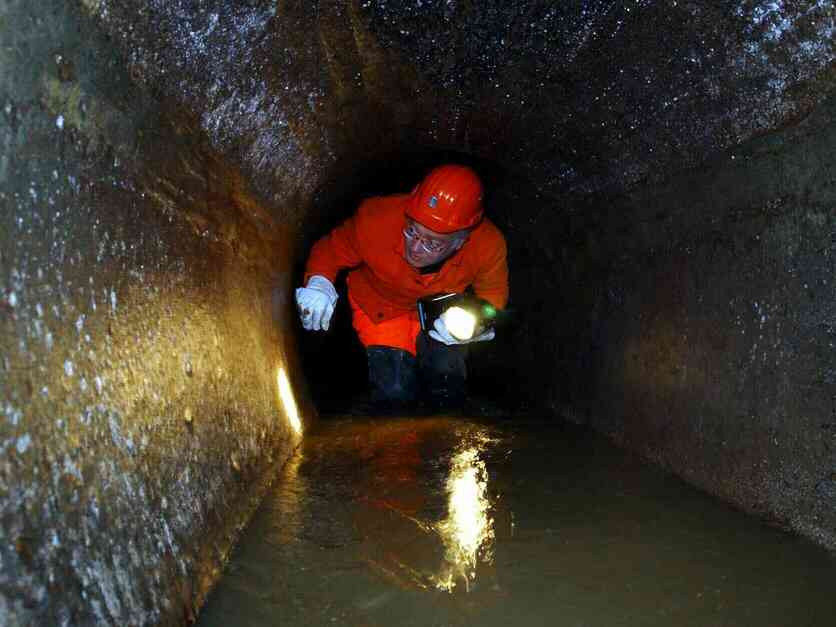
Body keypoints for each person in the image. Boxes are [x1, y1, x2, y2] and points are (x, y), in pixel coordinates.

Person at [295, 164, 509, 411]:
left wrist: (480, 323)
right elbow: (330, 251)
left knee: (447, 386)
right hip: (380, 305)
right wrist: (319, 283)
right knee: (394, 392)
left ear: (461, 241)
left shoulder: (487, 245)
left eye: (432, 244)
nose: (415, 248)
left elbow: (493, 296)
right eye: (412, 232)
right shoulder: (376, 219)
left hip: (442, 315)